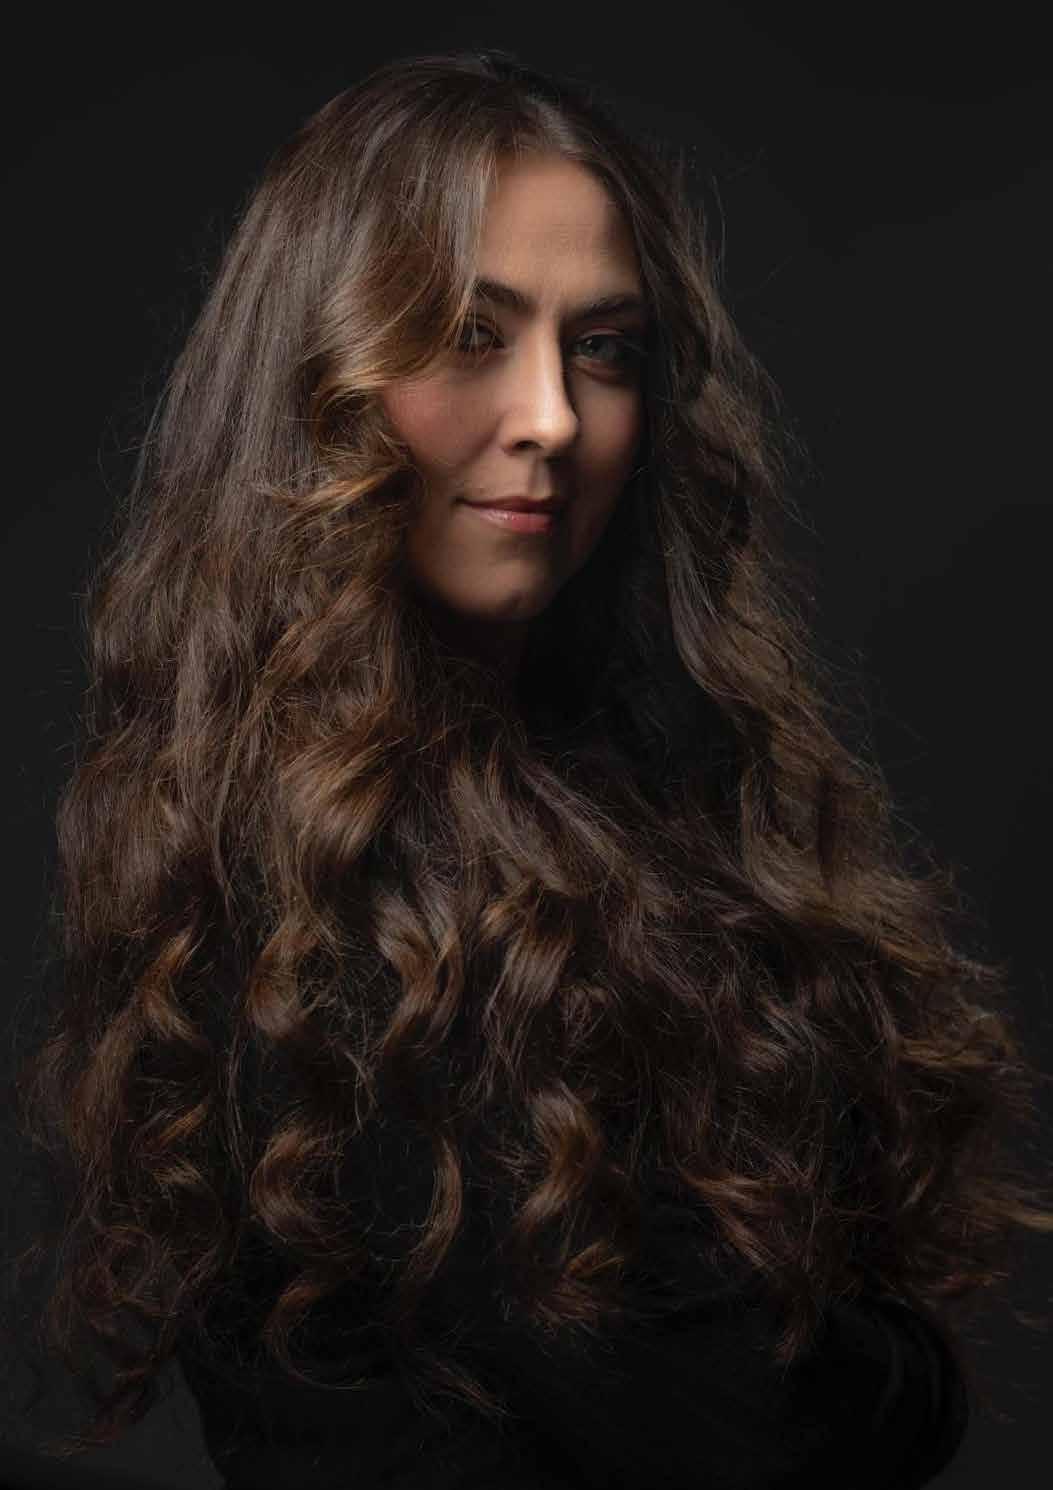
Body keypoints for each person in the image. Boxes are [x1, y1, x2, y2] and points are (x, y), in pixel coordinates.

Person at [8, 45, 1053, 1490]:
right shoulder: (332, 895)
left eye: (604, 348)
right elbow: (769, 1432)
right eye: (468, 332)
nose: (552, 416)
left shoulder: (631, 800)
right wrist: (895, 1362)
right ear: (319, 379)